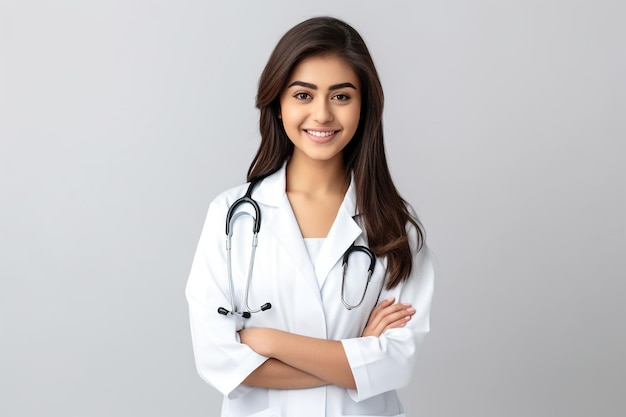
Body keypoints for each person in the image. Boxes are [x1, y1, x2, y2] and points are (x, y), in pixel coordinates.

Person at [186, 16, 434, 417]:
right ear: (278, 104)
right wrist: (355, 359)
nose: (322, 115)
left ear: (364, 106)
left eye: (341, 96)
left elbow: (395, 363)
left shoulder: (392, 228)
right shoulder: (230, 218)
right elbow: (218, 360)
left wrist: (267, 340)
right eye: (303, 95)